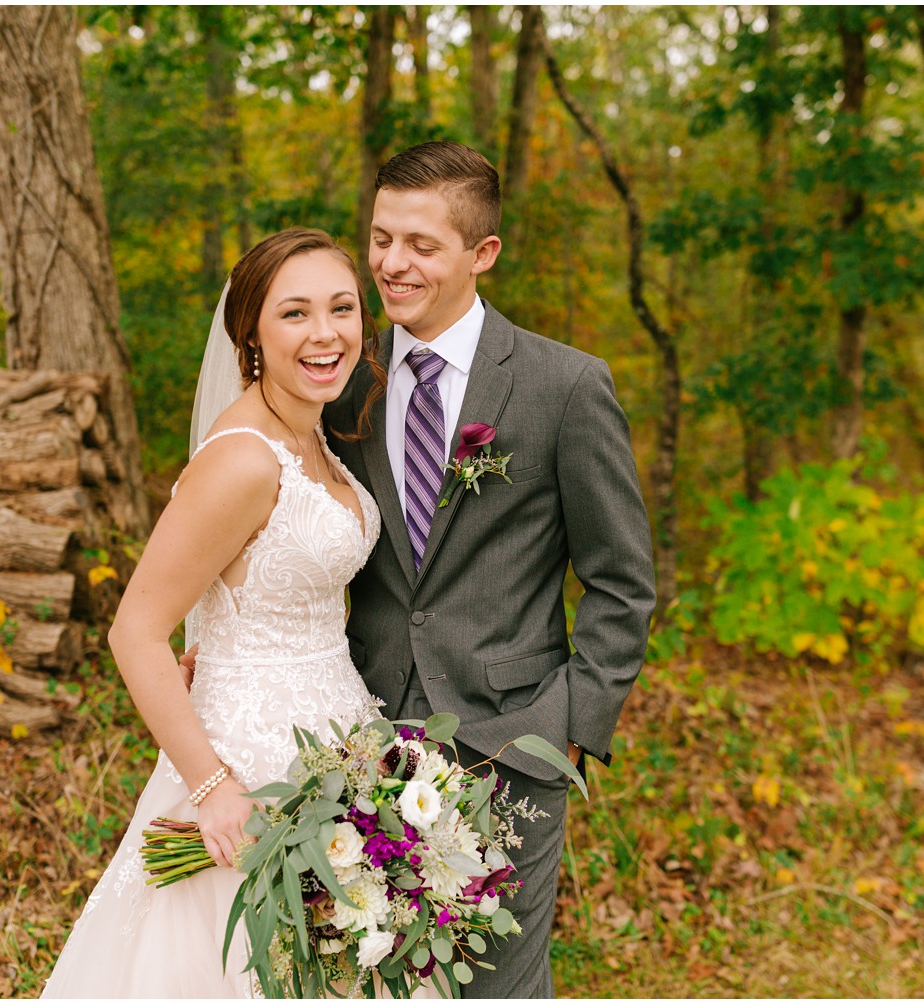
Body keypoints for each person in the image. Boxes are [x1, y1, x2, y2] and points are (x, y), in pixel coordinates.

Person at [325, 141, 656, 998]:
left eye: (421, 245)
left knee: (496, 985)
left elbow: (623, 579)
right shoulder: (342, 385)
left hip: (512, 739)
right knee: (371, 976)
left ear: (483, 253)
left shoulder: (564, 386)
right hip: (358, 738)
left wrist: (573, 725)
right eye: (381, 238)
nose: (392, 265)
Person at [42, 228, 393, 998]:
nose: (326, 333)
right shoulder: (243, 458)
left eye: (341, 308)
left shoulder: (314, 437)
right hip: (247, 768)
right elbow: (134, 629)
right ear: (252, 334)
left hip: (335, 743)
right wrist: (213, 789)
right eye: (295, 313)